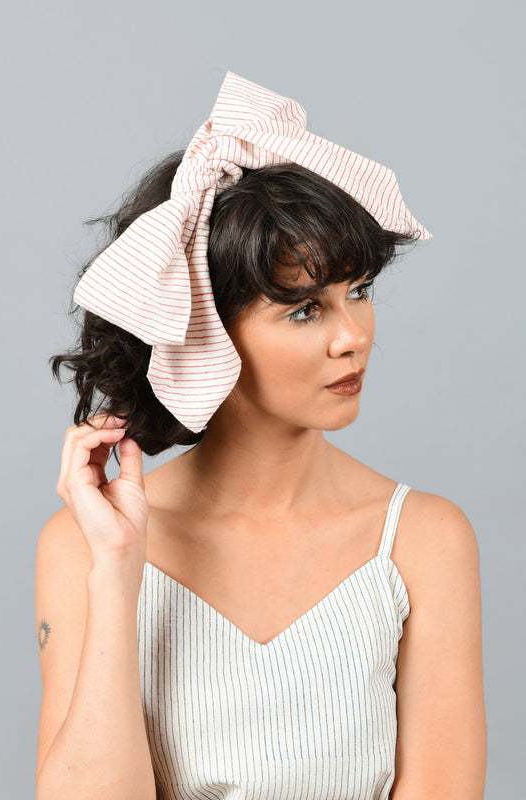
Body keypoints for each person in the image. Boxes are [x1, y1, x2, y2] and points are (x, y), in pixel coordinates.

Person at [35, 72, 487, 800]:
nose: (353, 337)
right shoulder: (81, 545)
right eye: (305, 310)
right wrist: (118, 573)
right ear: (204, 330)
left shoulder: (422, 540)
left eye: (359, 291)